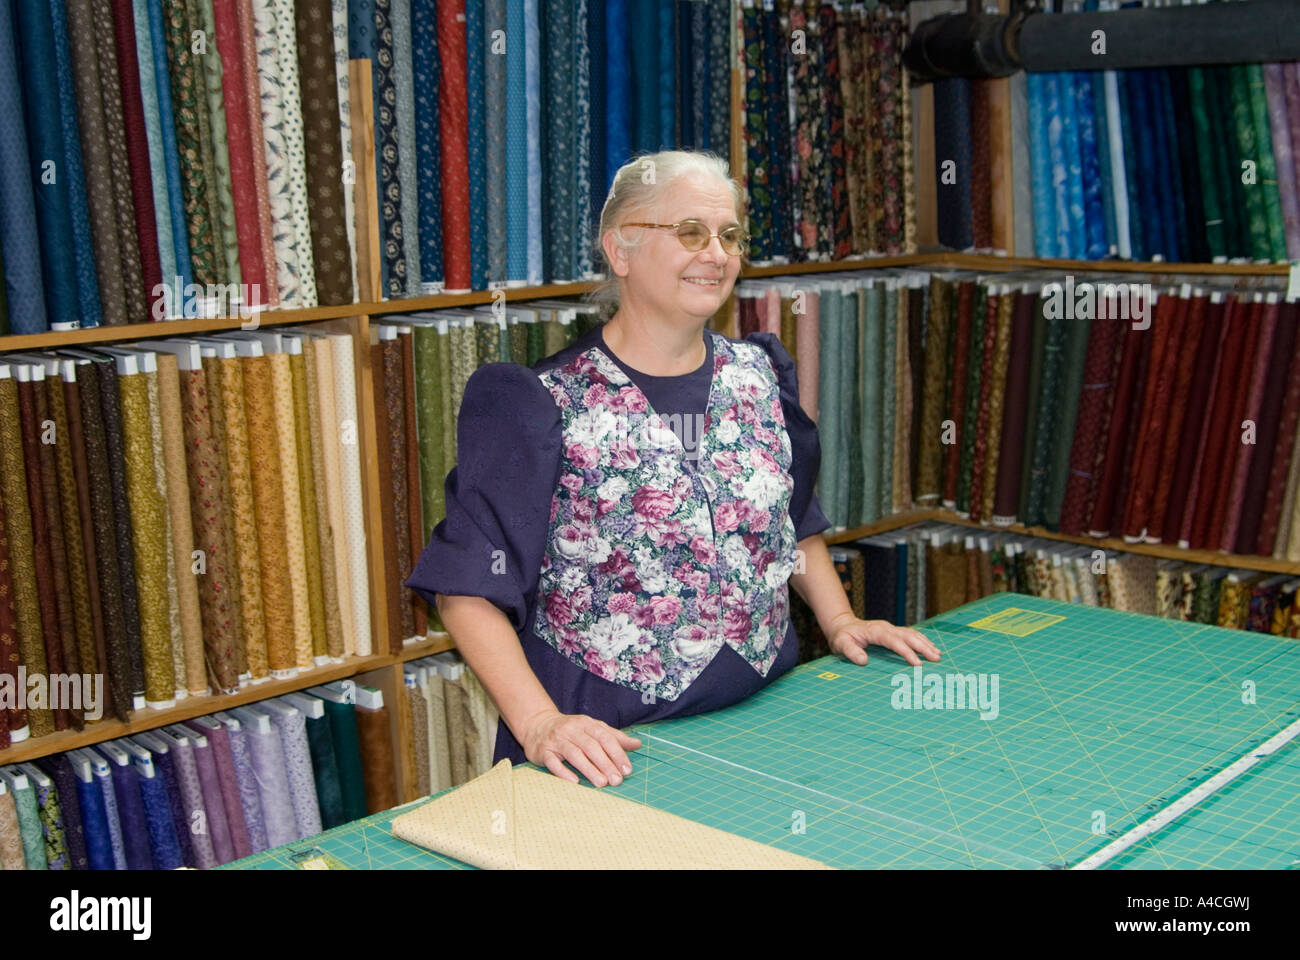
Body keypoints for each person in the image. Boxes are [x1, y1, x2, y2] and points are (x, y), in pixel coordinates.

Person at [406, 149, 939, 788]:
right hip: (609, 756)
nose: (715, 253)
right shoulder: (540, 404)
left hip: (764, 725)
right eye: (690, 232)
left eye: (730, 236)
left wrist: (841, 620)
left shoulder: (760, 375)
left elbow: (790, 525)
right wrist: (541, 723)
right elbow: (466, 587)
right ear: (621, 251)